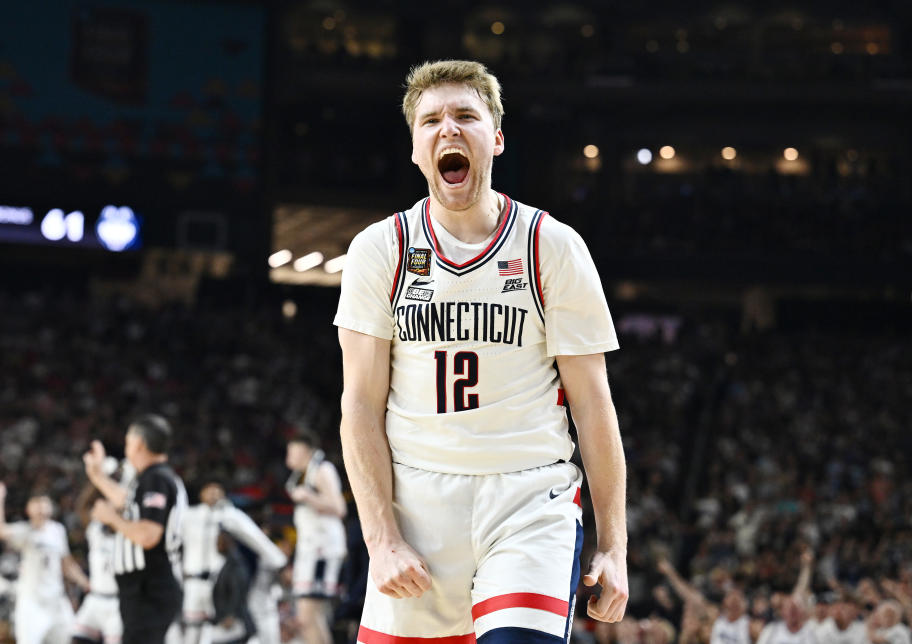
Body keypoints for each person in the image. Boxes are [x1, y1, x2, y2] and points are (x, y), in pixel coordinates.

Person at [334, 59, 628, 641]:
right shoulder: (379, 249)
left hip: (528, 498)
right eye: (431, 120)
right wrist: (382, 539)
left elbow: (594, 407)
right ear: (415, 147)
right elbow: (359, 407)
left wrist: (614, 546)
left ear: (495, 138)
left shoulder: (553, 245)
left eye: (466, 116)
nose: (448, 129)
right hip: (416, 503)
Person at [83, 414, 188, 644]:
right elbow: (127, 500)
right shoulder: (153, 478)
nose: (126, 448)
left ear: (139, 443)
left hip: (150, 587)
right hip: (146, 589)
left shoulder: (156, 479)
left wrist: (112, 518)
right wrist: (97, 476)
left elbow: (148, 535)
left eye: (128, 442)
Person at [181, 480, 287, 644]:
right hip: (192, 583)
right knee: (190, 634)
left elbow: (256, 538)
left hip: (219, 585)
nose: (214, 494)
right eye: (210, 490)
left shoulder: (229, 514)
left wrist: (281, 563)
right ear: (201, 493)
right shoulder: (189, 515)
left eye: (218, 490)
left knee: (220, 633)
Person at [0, 483, 89, 644]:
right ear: (29, 508)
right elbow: (1, 530)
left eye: (44, 504)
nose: (41, 509)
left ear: (50, 507)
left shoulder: (58, 530)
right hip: (32, 603)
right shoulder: (25, 531)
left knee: (68, 639)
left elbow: (66, 563)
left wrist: (85, 583)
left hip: (56, 601)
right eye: (37, 505)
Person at [285, 433, 347, 644]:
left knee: (307, 617)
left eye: (293, 451)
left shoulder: (322, 469)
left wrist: (308, 496)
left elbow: (339, 508)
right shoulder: (303, 473)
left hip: (322, 551)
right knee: (312, 617)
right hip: (310, 550)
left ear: (306, 451)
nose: (289, 456)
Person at [73, 480, 124, 644]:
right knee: (77, 639)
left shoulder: (130, 534)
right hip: (95, 599)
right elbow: (82, 506)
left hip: (118, 603)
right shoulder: (95, 529)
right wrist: (98, 479)